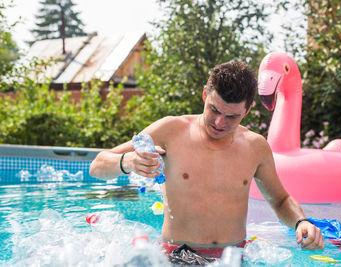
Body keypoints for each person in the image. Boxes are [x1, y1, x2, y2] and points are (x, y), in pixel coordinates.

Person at [89, 60, 324, 258]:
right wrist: (127, 162)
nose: (219, 123)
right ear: (205, 95)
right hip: (177, 256)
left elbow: (280, 200)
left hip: (234, 257)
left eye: (232, 116)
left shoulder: (256, 147)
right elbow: (97, 165)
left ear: (248, 110)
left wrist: (300, 222)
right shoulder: (171, 130)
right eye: (214, 110)